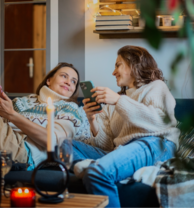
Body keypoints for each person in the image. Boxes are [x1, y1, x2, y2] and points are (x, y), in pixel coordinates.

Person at [71, 45, 180, 208]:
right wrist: (92, 119)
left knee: (97, 173)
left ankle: (95, 169)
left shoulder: (156, 87)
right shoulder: (113, 101)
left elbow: (160, 121)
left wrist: (118, 100)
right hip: (123, 150)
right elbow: (107, 145)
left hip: (155, 143)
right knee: (65, 145)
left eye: (117, 65)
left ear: (134, 64)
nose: (113, 72)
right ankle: (100, 167)